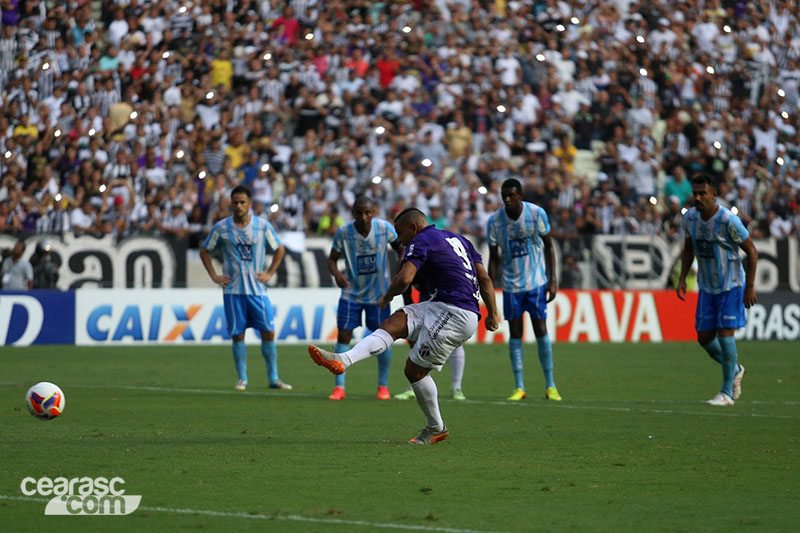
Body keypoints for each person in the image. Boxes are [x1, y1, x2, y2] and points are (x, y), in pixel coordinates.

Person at [309, 208, 500, 444]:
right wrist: (492, 313)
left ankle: (436, 428)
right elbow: (484, 278)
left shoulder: (420, 240)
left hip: (455, 312)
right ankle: (344, 360)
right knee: (394, 323)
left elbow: (405, 278)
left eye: (400, 233)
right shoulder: (459, 239)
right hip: (442, 305)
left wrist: (387, 296)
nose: (398, 239)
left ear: (414, 228)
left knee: (414, 371)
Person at [200, 185, 292, 392]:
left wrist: (269, 273)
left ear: (250, 204)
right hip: (233, 292)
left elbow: (279, 249)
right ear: (231, 204)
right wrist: (214, 275)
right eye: (235, 202)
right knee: (237, 335)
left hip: (258, 292)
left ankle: (274, 378)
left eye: (243, 202)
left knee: (268, 332)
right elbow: (205, 250)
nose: (239, 206)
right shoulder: (222, 228)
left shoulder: (262, 226)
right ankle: (242, 378)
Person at [677, 173, 757, 406]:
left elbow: (751, 250)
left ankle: (726, 393)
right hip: (707, 287)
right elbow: (688, 248)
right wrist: (682, 278)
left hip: (731, 285)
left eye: (703, 193)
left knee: (725, 335)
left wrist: (750, 286)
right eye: (695, 193)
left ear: (714, 194)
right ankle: (736, 368)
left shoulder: (728, 221)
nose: (698, 198)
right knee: (704, 338)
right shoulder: (690, 219)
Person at [488, 178, 561, 402]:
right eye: (504, 196)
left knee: (540, 330)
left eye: (511, 195)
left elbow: (549, 246)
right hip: (511, 287)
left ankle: (550, 385)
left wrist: (552, 279)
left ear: (520, 195)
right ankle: (519, 387)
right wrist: (489, 286)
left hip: (536, 282)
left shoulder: (537, 214)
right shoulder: (495, 222)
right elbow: (494, 259)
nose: (507, 200)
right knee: (515, 334)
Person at [326, 196, 402, 400]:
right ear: (353, 213)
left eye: (367, 212)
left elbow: (400, 249)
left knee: (384, 338)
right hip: (351, 294)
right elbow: (332, 260)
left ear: (374, 211)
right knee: (344, 336)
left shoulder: (385, 228)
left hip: (380, 295)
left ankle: (383, 387)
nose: (363, 216)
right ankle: (339, 387)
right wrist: (337, 274)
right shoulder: (344, 232)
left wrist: (400, 271)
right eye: (359, 212)